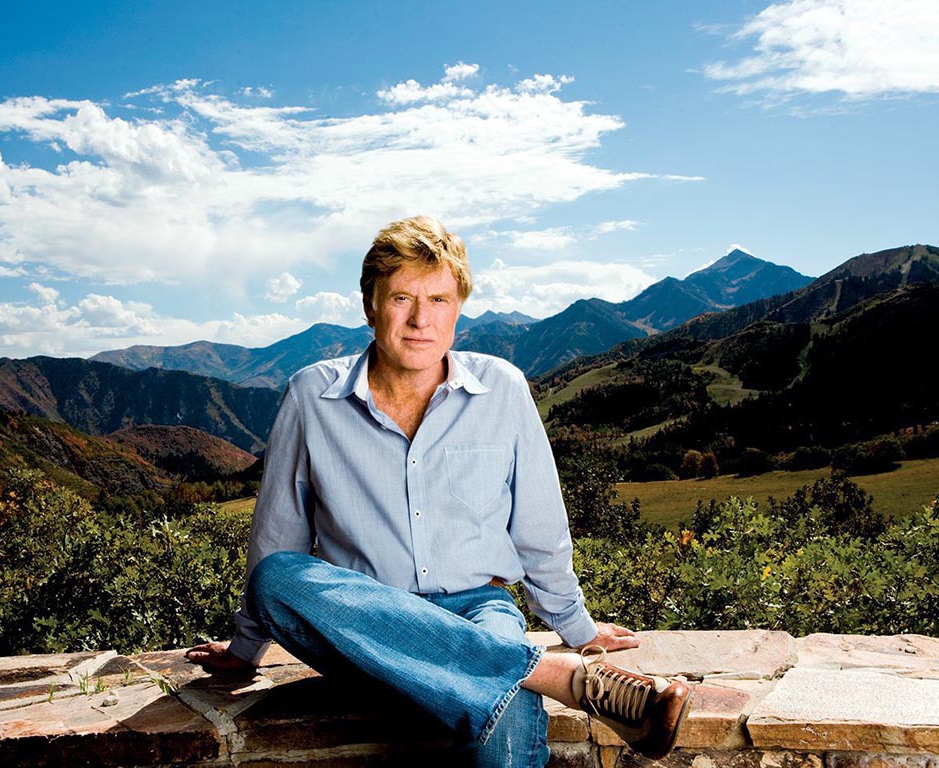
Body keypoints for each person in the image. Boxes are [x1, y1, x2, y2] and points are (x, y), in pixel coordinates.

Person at [187, 216, 690, 766]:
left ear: (458, 309)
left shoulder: (502, 389)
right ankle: (559, 676)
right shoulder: (311, 395)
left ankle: (527, 670)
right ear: (370, 305)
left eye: (439, 300)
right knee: (276, 577)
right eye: (402, 297)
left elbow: (539, 530)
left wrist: (577, 626)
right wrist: (246, 648)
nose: (420, 319)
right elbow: (277, 535)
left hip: (479, 608)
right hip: (365, 628)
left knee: (504, 713)